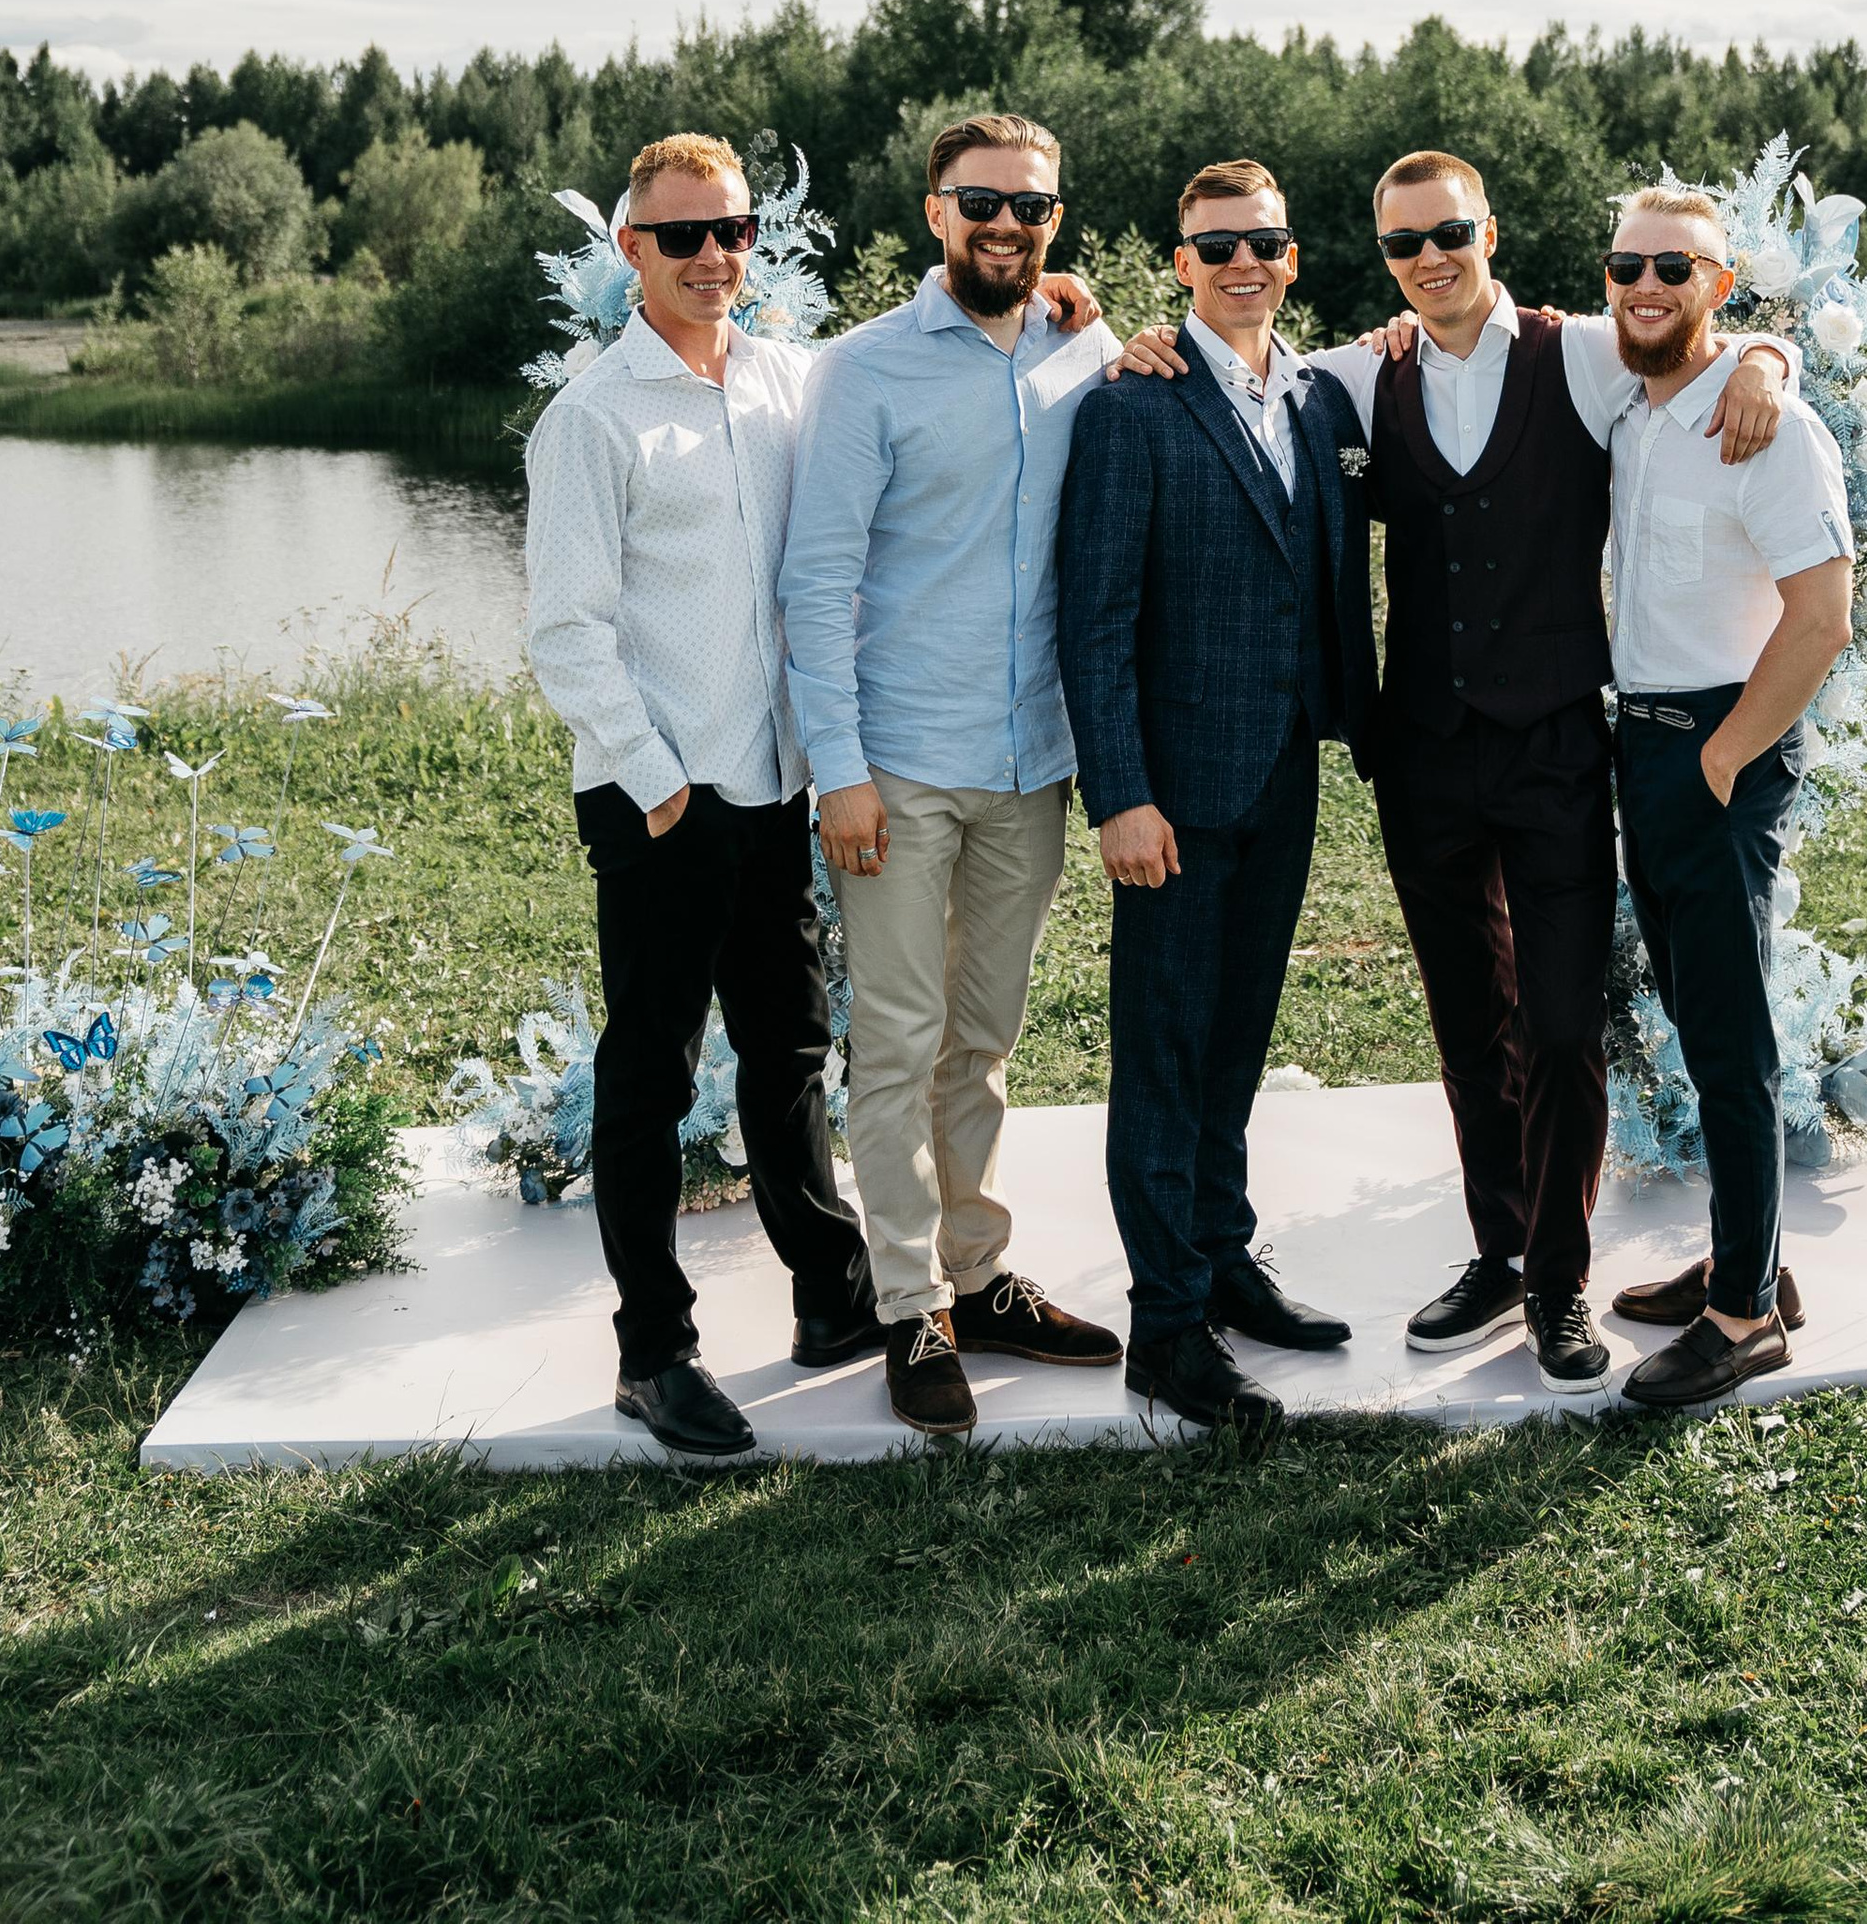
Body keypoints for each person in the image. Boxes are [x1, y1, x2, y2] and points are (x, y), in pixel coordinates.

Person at [1113, 152, 1792, 1392]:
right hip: (1420, 754)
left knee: (1564, 1023)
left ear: (1489, 230)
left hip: (1554, 753)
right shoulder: (1356, 378)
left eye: (1450, 231)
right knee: (1468, 1023)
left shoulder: (1578, 352)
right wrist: (1127, 336)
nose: (1430, 257)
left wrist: (1764, 359)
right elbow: (1233, 368)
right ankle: (1499, 1250)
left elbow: (1685, 330)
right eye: (1403, 243)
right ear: (1379, 260)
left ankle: (1560, 1285)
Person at [524, 130, 877, 1465]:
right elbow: (568, 630)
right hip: (661, 797)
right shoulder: (593, 419)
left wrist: (1070, 313)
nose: (715, 255)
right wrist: (668, 790)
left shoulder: (787, 383)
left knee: (789, 1052)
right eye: (684, 236)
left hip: (776, 784)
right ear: (632, 252)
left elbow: (911, 366)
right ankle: (652, 1352)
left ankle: (834, 1298)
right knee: (652, 1075)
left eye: (731, 230)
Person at [779, 113, 1125, 1443]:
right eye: (982, 201)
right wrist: (842, 774)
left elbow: (1238, 357)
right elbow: (818, 581)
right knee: (898, 1044)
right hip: (901, 768)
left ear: (1055, 219)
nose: (1007, 224)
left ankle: (980, 1279)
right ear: (935, 209)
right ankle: (907, 1307)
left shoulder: (1080, 348)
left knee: (982, 1044)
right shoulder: (863, 374)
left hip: (1031, 763)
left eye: (1031, 207)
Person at [1054, 159, 1376, 1437]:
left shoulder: (1312, 394)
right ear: (1179, 262)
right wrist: (1120, 795)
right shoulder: (1132, 404)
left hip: (1281, 768)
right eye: (1216, 244)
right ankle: (1167, 1325)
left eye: (1266, 241)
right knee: (1166, 1050)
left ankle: (1224, 1258)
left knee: (1238, 1036)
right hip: (1171, 797)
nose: (1244, 261)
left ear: (1293, 257)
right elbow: (1093, 620)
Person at [1597, 185, 1854, 1412]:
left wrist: (1720, 759)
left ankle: (1745, 1319)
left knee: (1729, 1032)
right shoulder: (1638, 406)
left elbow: (1821, 620)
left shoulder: (1770, 428)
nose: (1646, 287)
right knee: (1702, 1013)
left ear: (1722, 281)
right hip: (1643, 741)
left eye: (1674, 269)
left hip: (1716, 746)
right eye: (1625, 267)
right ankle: (1748, 1262)